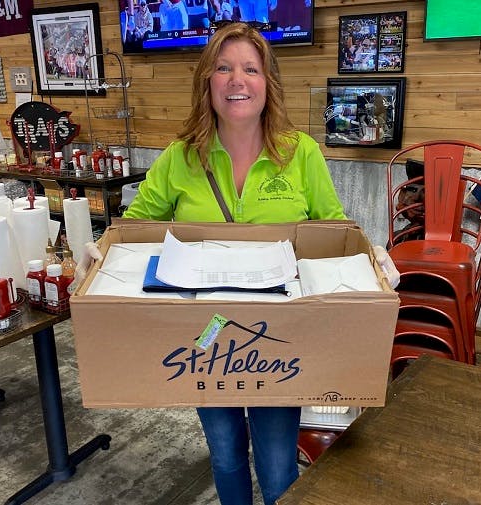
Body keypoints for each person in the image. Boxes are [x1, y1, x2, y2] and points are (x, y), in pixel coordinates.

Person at [123, 22, 345, 505]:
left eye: (250, 68)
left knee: (277, 460)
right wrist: (101, 248)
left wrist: (370, 257)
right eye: (223, 68)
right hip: (206, 337)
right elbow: (135, 227)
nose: (236, 80)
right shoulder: (181, 158)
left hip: (279, 337)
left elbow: (334, 231)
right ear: (207, 82)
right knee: (224, 453)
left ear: (269, 83)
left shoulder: (300, 153)